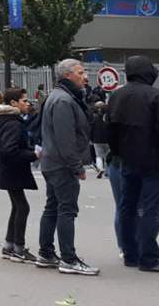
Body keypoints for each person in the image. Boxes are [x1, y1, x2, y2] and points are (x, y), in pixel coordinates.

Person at [106, 55, 159, 273]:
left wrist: (119, 153)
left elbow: (111, 130)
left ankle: (130, 254)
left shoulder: (117, 96)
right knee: (150, 209)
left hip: (127, 160)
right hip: (153, 161)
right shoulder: (157, 96)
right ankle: (149, 257)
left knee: (127, 207)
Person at [36, 58, 99, 275]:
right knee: (66, 210)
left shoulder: (60, 97)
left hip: (52, 161)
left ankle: (46, 253)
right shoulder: (64, 100)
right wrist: (76, 166)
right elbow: (66, 138)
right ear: (67, 75)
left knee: (53, 207)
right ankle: (69, 259)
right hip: (61, 164)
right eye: (80, 72)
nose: (85, 76)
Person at [0, 87, 37, 262]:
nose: (28, 103)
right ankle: (18, 247)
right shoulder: (13, 123)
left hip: (8, 171)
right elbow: (10, 150)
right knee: (22, 207)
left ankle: (10, 245)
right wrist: (33, 154)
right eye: (24, 100)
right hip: (13, 171)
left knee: (18, 207)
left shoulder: (7, 120)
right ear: (13, 103)